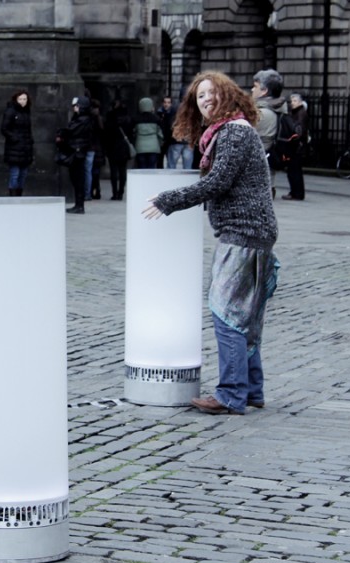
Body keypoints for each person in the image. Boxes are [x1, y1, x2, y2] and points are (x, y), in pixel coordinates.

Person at [142, 70, 280, 416]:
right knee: (245, 318)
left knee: (227, 314)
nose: (205, 100)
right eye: (199, 96)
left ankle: (231, 393)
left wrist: (167, 200)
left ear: (227, 96)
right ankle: (251, 390)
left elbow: (218, 182)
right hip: (252, 232)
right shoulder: (231, 130)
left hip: (243, 233)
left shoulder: (233, 131)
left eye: (211, 93)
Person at [251, 69, 287, 199]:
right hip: (266, 172)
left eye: (255, 86)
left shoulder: (263, 113)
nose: (252, 89)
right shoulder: (275, 109)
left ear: (264, 91)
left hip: (257, 173)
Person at [57, 96, 94, 214]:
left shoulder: (83, 120)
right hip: (77, 150)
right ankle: (78, 204)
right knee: (76, 179)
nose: (75, 108)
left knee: (78, 179)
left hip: (78, 151)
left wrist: (61, 134)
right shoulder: (81, 118)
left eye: (77, 106)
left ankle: (79, 205)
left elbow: (70, 131)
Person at [0, 89, 34, 196]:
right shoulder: (11, 111)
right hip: (14, 148)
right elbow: (4, 128)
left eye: (25, 99)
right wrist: (15, 138)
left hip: (25, 148)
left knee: (23, 174)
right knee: (15, 174)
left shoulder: (26, 112)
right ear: (16, 99)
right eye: (20, 99)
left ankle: (19, 196)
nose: (23, 101)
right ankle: (13, 197)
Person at [103, 99, 133, 201]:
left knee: (113, 171)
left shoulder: (110, 117)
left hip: (112, 146)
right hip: (123, 146)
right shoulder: (127, 118)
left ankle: (115, 193)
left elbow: (106, 133)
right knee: (122, 170)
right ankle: (121, 193)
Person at [283, 92, 309, 200]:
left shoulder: (300, 113)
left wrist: (292, 139)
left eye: (295, 101)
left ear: (300, 102)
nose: (292, 103)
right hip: (297, 145)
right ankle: (295, 192)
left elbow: (298, 130)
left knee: (294, 170)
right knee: (293, 170)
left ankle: (296, 193)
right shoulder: (297, 112)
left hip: (297, 146)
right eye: (291, 101)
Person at [159, 96, 194, 170]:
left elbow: (170, 126)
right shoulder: (191, 111)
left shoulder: (174, 110)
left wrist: (168, 139)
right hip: (188, 140)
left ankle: (171, 180)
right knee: (187, 167)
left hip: (176, 140)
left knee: (171, 165)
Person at [133, 97, 163, 169]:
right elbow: (160, 134)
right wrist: (160, 144)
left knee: (142, 166)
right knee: (151, 167)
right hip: (154, 146)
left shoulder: (136, 119)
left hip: (140, 146)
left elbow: (134, 132)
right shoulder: (156, 118)